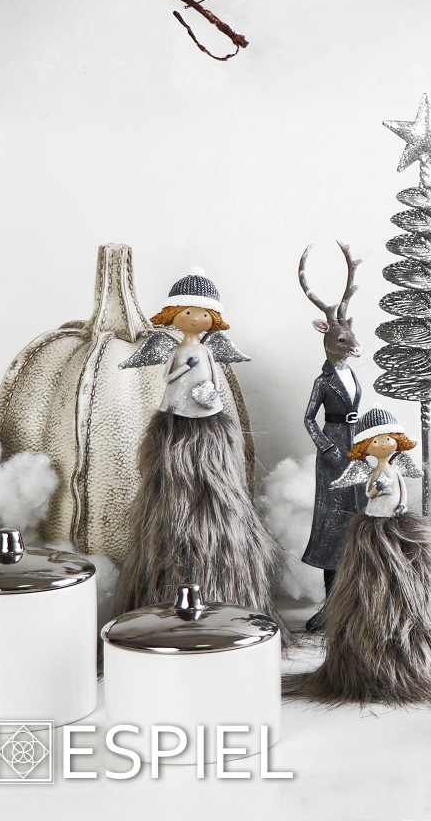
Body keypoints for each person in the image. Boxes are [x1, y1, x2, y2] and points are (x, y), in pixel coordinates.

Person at [115, 270, 289, 643]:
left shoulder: (207, 351)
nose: (196, 319)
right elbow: (170, 378)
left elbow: (213, 381)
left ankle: (231, 606)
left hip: (208, 420)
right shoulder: (179, 351)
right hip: (177, 418)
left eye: (203, 314)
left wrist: (210, 395)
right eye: (188, 312)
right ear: (173, 315)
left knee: (217, 496)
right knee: (172, 496)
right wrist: (185, 368)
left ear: (213, 319)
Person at [289, 407, 431, 705]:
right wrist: (376, 487)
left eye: (387, 439)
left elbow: (402, 491)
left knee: (404, 572)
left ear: (397, 441)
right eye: (375, 441)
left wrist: (401, 506)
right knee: (371, 573)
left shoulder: (393, 469)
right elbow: (369, 491)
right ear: (365, 446)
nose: (382, 445)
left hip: (395, 522)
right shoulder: (374, 472)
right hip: (374, 522)